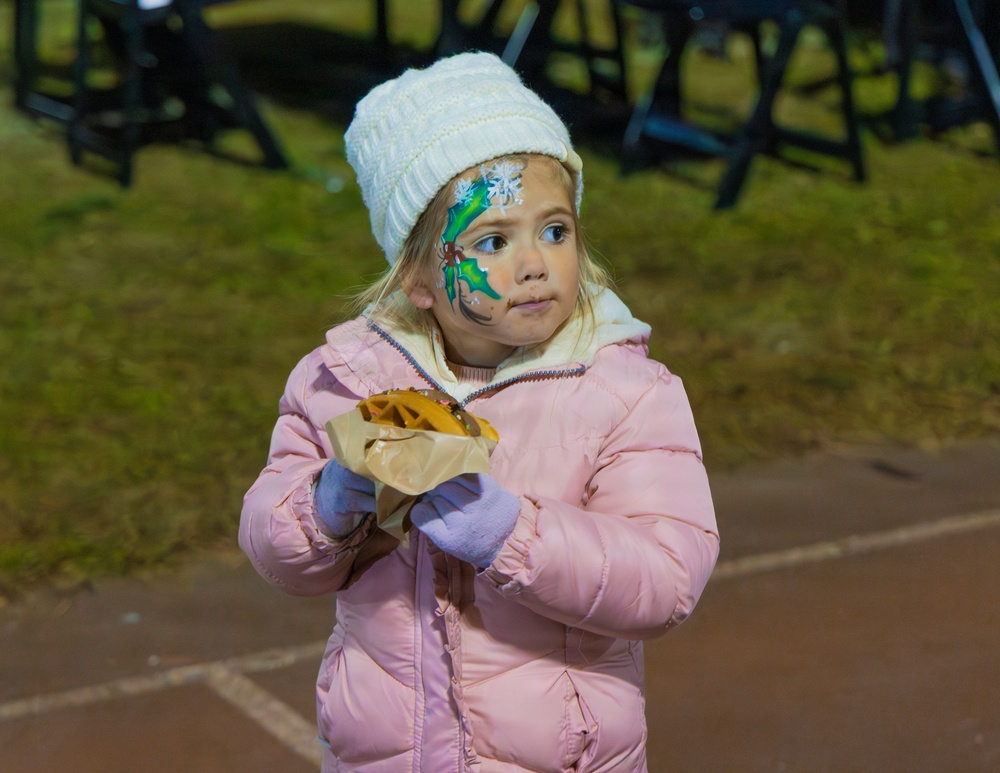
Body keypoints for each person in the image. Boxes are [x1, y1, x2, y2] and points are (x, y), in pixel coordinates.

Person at [240, 51, 719, 773]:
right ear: (420, 278)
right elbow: (278, 554)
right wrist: (333, 499)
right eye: (492, 240)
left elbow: (665, 578)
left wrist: (508, 532)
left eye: (554, 231)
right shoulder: (346, 382)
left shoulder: (624, 389)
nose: (533, 263)